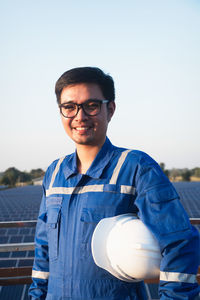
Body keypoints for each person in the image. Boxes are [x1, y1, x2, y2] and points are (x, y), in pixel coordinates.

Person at [29, 67, 200, 299]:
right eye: (69, 107)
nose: (80, 116)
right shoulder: (54, 173)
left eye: (91, 105)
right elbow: (43, 250)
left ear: (110, 109)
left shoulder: (137, 167)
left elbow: (180, 242)